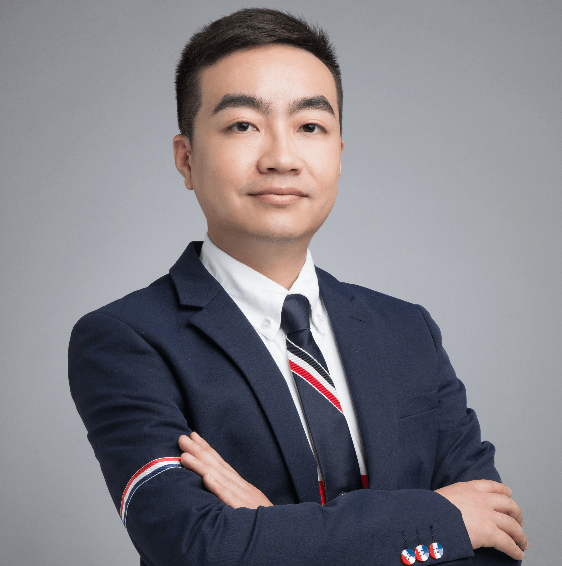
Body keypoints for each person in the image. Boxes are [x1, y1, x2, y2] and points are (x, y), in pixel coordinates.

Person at [68, 8, 528, 566]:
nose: (281, 158)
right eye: (243, 125)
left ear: (338, 152)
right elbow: (196, 548)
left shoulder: (408, 331)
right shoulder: (125, 341)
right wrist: (442, 520)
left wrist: (270, 532)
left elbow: (498, 540)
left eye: (310, 126)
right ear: (186, 159)